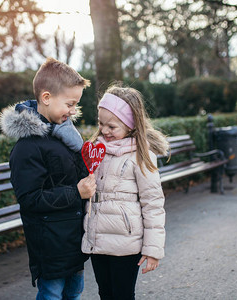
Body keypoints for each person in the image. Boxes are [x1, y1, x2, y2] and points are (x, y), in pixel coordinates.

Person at [0, 57, 96, 300]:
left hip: (72, 237)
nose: (74, 111)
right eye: (70, 104)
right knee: (52, 293)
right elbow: (30, 198)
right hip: (50, 243)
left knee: (74, 292)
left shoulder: (65, 136)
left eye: (76, 104)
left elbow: (76, 174)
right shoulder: (28, 147)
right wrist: (76, 192)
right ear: (46, 98)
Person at [82, 83, 168, 300]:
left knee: (122, 295)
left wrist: (153, 248)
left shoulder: (141, 156)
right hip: (97, 239)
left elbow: (153, 202)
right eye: (101, 124)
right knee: (105, 293)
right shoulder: (95, 151)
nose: (104, 130)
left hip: (127, 243)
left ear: (130, 125)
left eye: (112, 126)